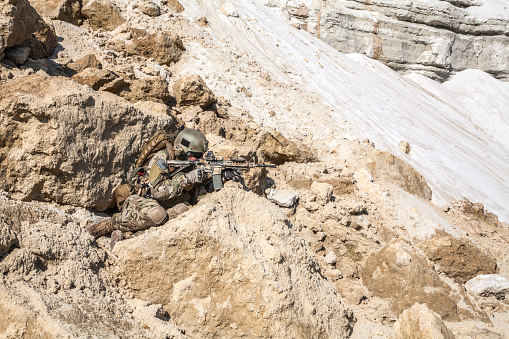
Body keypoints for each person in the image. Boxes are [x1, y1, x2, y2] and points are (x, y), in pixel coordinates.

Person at [87, 128, 225, 249]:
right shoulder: (162, 158)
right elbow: (157, 191)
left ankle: (126, 238)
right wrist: (187, 178)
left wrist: (222, 176)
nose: (199, 159)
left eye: (201, 155)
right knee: (157, 214)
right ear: (183, 150)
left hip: (165, 205)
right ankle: (108, 225)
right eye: (196, 156)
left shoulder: (190, 164)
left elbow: (194, 194)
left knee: (183, 209)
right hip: (140, 201)